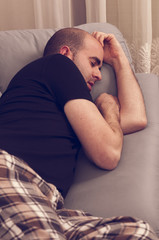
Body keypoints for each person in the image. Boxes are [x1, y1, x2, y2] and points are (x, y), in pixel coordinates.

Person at [0, 27, 157, 239]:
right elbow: (108, 153)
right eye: (93, 63)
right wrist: (109, 107)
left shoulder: (74, 109)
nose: (99, 75)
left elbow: (135, 119)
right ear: (66, 53)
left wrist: (119, 59)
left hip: (48, 203)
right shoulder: (57, 64)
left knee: (138, 232)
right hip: (10, 173)